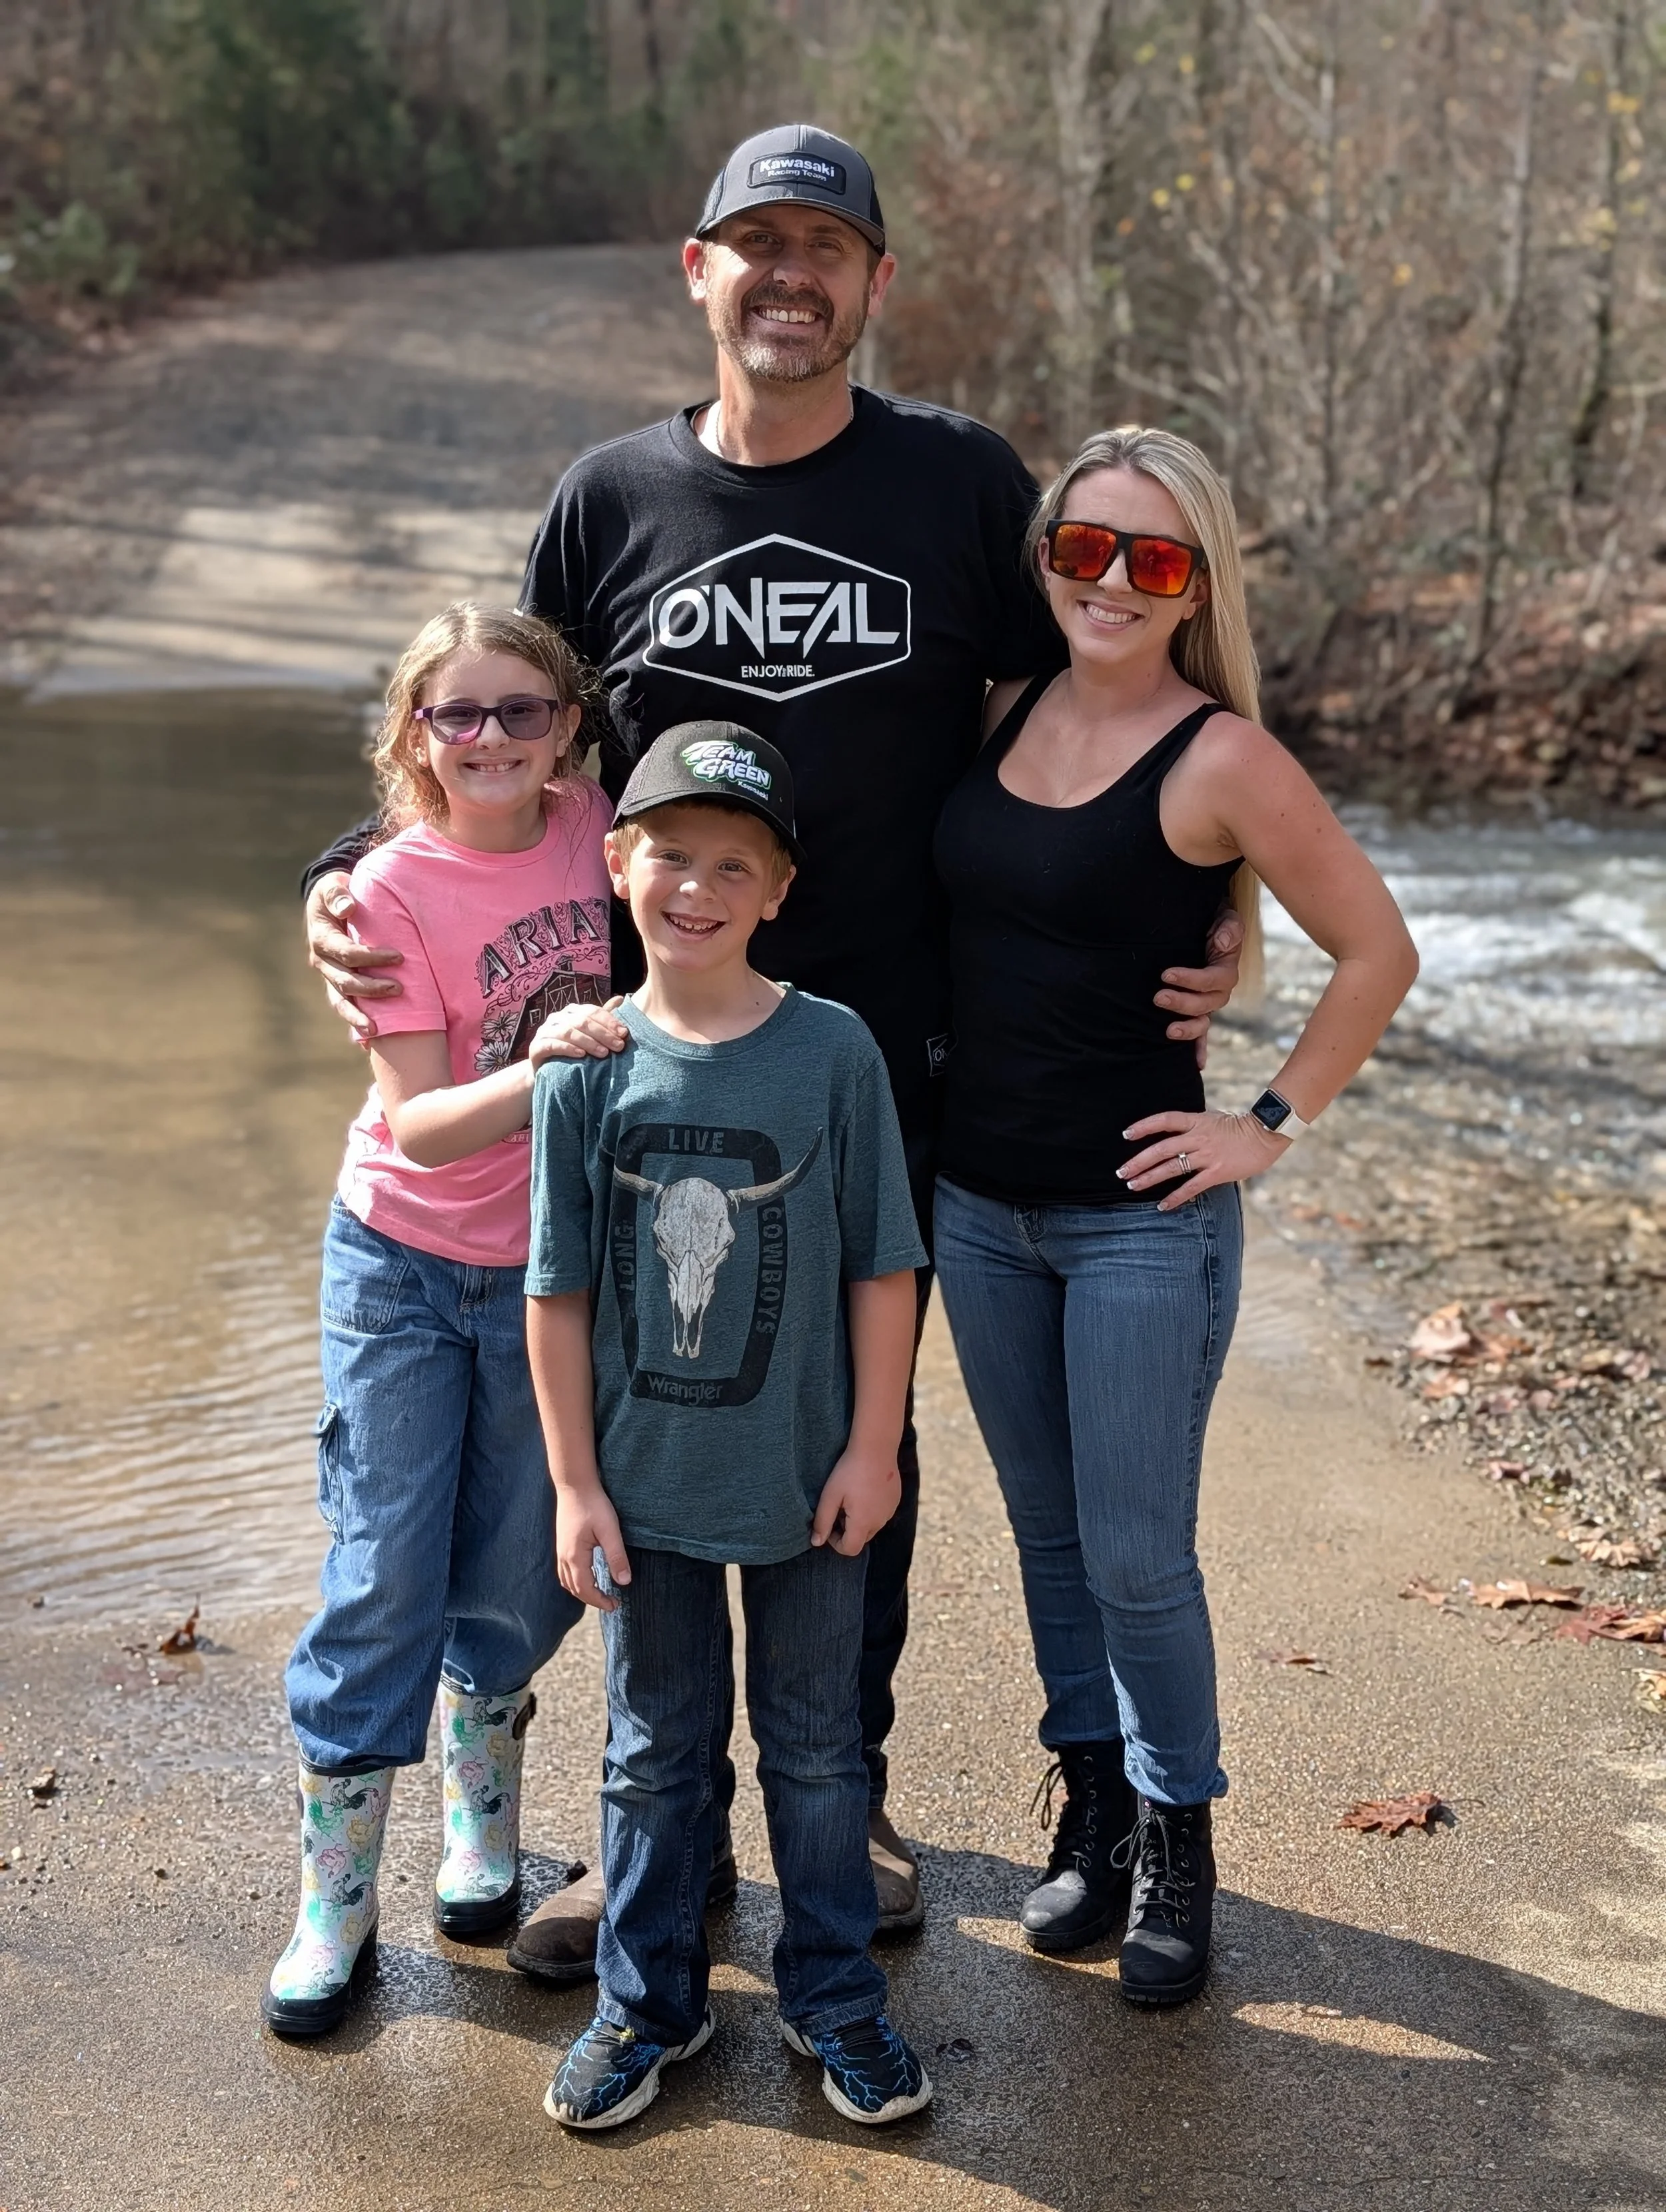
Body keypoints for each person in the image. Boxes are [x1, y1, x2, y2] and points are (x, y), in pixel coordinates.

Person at [299, 123, 1244, 1963]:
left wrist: (1199, 910)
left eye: (827, 246)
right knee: (646, 1424)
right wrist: (357, 869)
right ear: (698, 272)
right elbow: (499, 747)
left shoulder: (963, 483)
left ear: (875, 282)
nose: (789, 276)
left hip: (884, 1058)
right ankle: (649, 1834)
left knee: (835, 1437)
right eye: (757, 245)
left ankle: (843, 1793)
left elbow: (1096, 707)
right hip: (644, 1063)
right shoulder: (607, 497)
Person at [931, 426, 1420, 2005]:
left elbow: (1375, 952)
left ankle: (1176, 1838)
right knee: (1047, 1536)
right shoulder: (999, 708)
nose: (1110, 583)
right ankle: (1087, 1803)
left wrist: (1261, 1126)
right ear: (1048, 560)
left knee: (1138, 1554)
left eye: (1149, 560)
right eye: (1083, 549)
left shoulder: (1221, 758)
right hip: (977, 1205)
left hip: (1136, 1222)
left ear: (1192, 581)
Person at [526, 722, 933, 2131]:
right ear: (617, 863)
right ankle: (649, 2002)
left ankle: (832, 1995)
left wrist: (873, 1443)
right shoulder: (584, 1063)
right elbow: (557, 1290)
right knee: (649, 1749)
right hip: (643, 1488)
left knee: (818, 1747)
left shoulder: (831, 1050)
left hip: (810, 1477)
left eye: (731, 866)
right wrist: (575, 1485)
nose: (694, 888)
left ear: (777, 890)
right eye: (670, 857)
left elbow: (886, 1260)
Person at [263, 602, 620, 2037]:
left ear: (566, 734)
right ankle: (332, 1906)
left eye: (519, 712)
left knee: (518, 1571)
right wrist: (551, 1062)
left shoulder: (598, 825)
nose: (487, 738)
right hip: (403, 1265)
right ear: (413, 735)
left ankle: (482, 1828)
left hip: (552, 1265)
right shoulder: (391, 889)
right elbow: (418, 1126)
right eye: (454, 714)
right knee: (379, 1568)